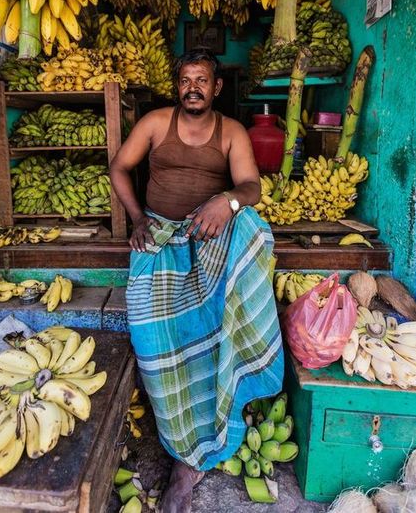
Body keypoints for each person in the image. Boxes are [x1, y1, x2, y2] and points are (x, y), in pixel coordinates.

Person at [110, 48, 284, 513]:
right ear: (178, 85)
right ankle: (179, 445)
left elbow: (252, 187)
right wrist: (136, 220)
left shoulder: (232, 132)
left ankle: (193, 464)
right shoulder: (154, 123)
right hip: (159, 239)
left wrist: (225, 201)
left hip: (207, 239)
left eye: (202, 80)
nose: (193, 87)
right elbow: (119, 167)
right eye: (186, 79)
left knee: (253, 229)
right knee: (151, 337)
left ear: (216, 87)